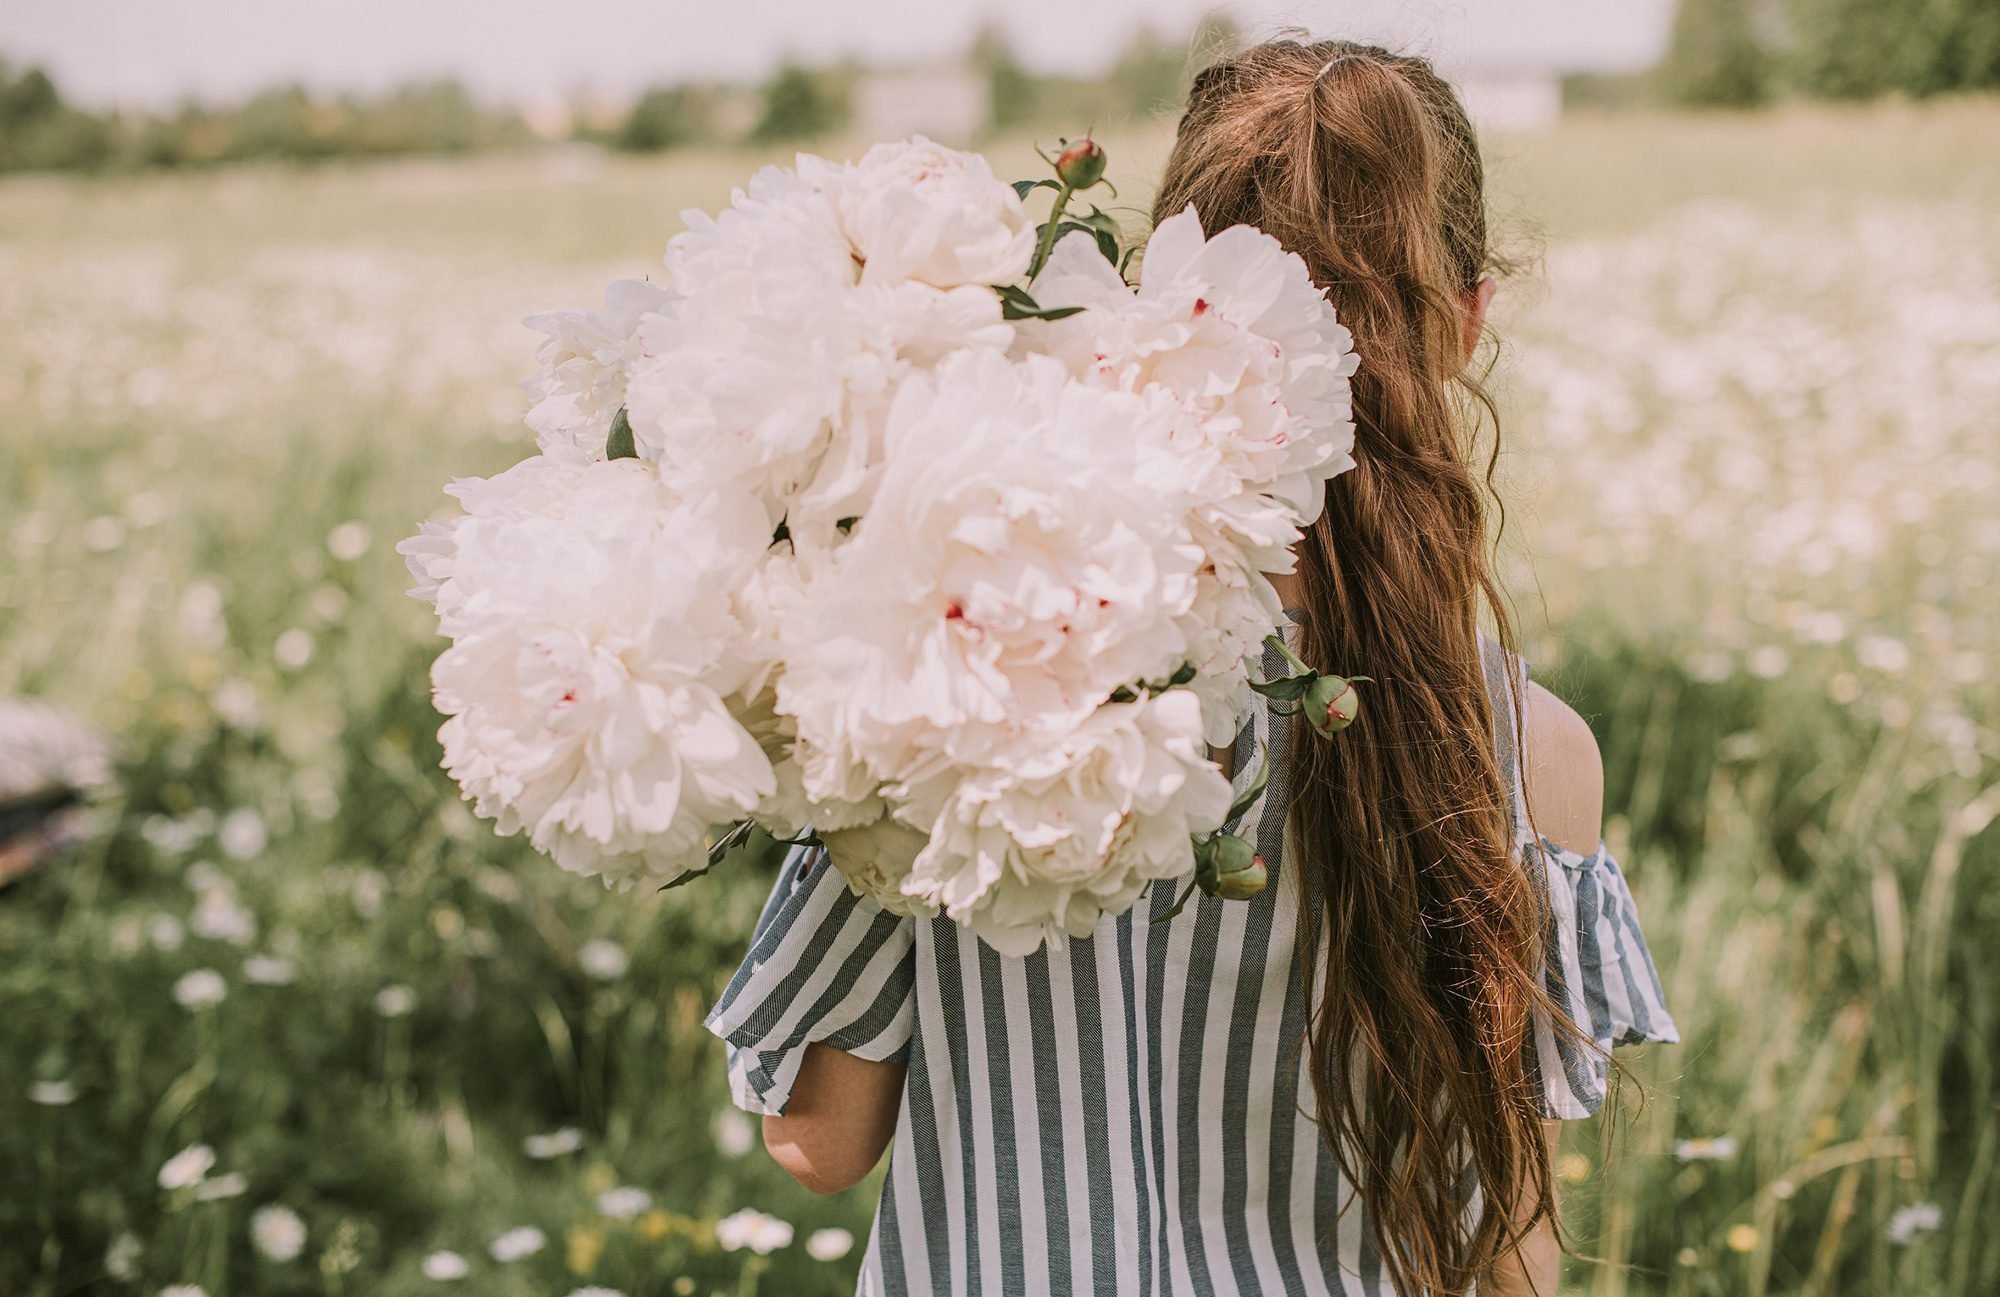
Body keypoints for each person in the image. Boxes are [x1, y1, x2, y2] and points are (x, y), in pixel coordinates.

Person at [706, 37, 1677, 1297]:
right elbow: (1513, 1254)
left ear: (1152, 303)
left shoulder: (962, 672)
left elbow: (818, 1140)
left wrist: (847, 712)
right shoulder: (1526, 749)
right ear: (1465, 320)